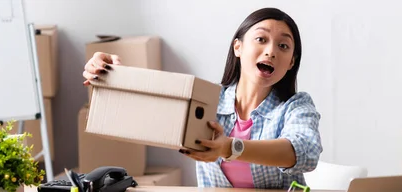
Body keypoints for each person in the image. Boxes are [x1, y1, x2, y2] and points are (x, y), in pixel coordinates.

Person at [82, 7, 322, 189]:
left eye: (283, 46)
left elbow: (304, 153)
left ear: (291, 62)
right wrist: (112, 77)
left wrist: (230, 147)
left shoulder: (296, 106)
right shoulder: (206, 101)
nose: (271, 50)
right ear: (238, 47)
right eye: (261, 39)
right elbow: (145, 118)